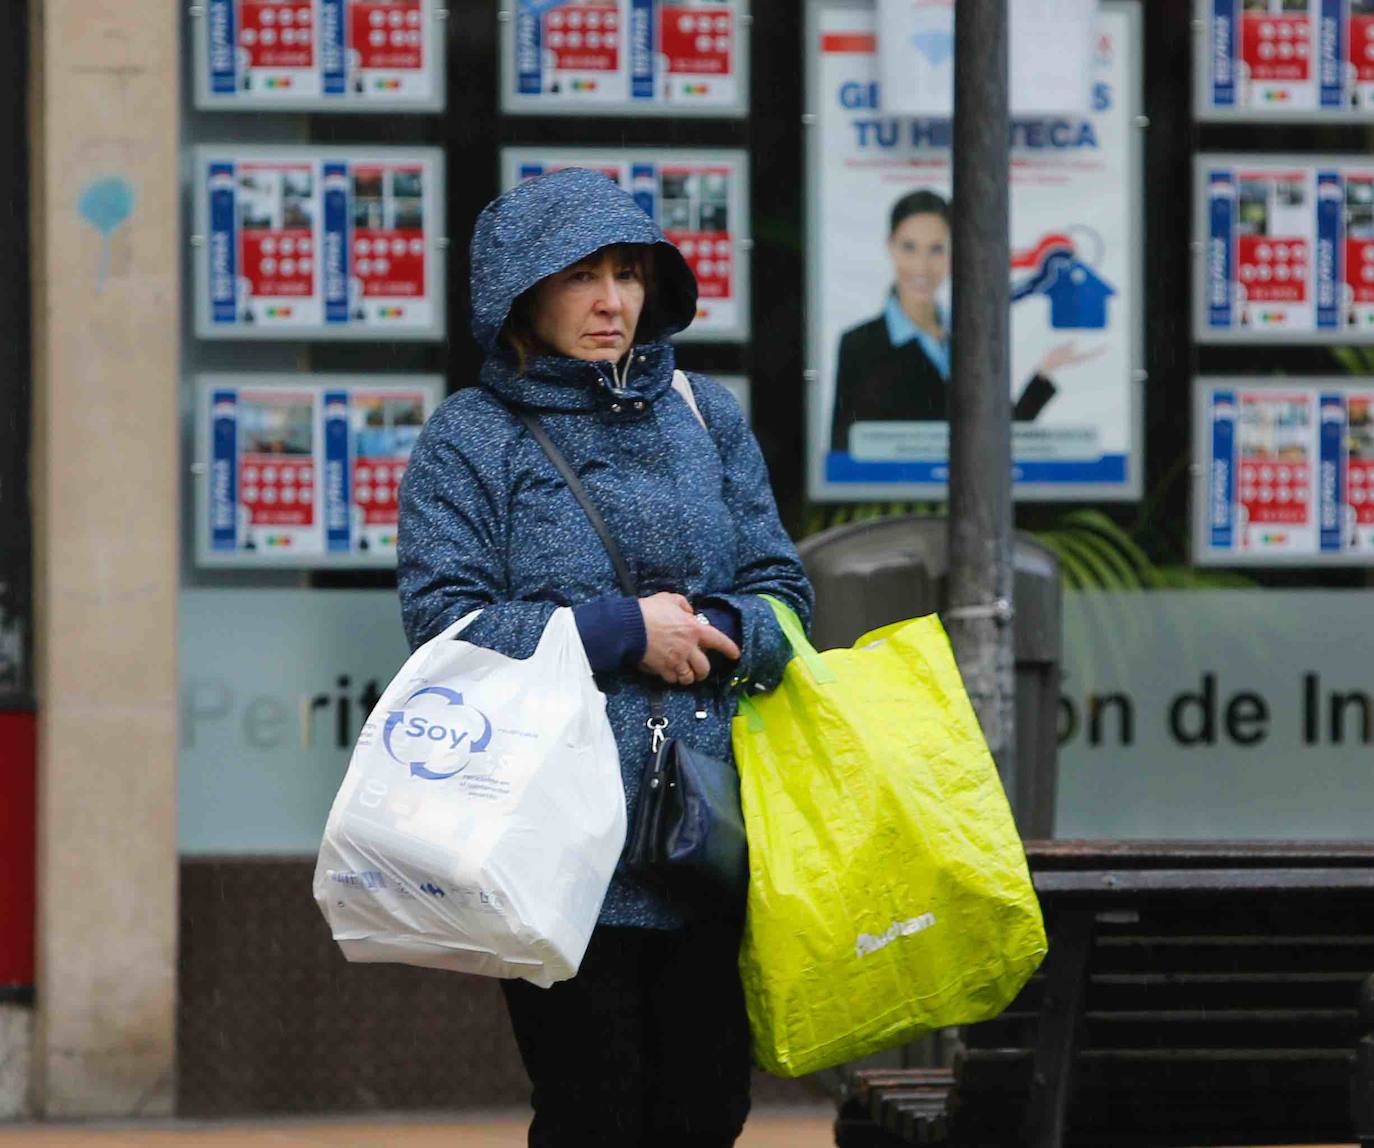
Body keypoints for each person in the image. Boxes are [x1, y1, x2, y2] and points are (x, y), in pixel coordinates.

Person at [396, 167, 814, 1147]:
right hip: (557, 833)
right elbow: (444, 628)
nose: (612, 300)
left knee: (708, 1109)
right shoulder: (471, 438)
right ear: (519, 294)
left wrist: (712, 627)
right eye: (581, 275)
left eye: (628, 273)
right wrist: (624, 630)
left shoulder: (706, 415)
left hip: (711, 829)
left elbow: (784, 602)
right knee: (593, 1106)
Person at [829, 188, 1100, 454]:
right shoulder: (860, 344)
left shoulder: (967, 337)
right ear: (891, 247)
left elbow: (1000, 438)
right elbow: (844, 450)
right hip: (900, 497)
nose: (922, 266)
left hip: (969, 496)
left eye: (937, 249)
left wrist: (1043, 375)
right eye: (909, 247)